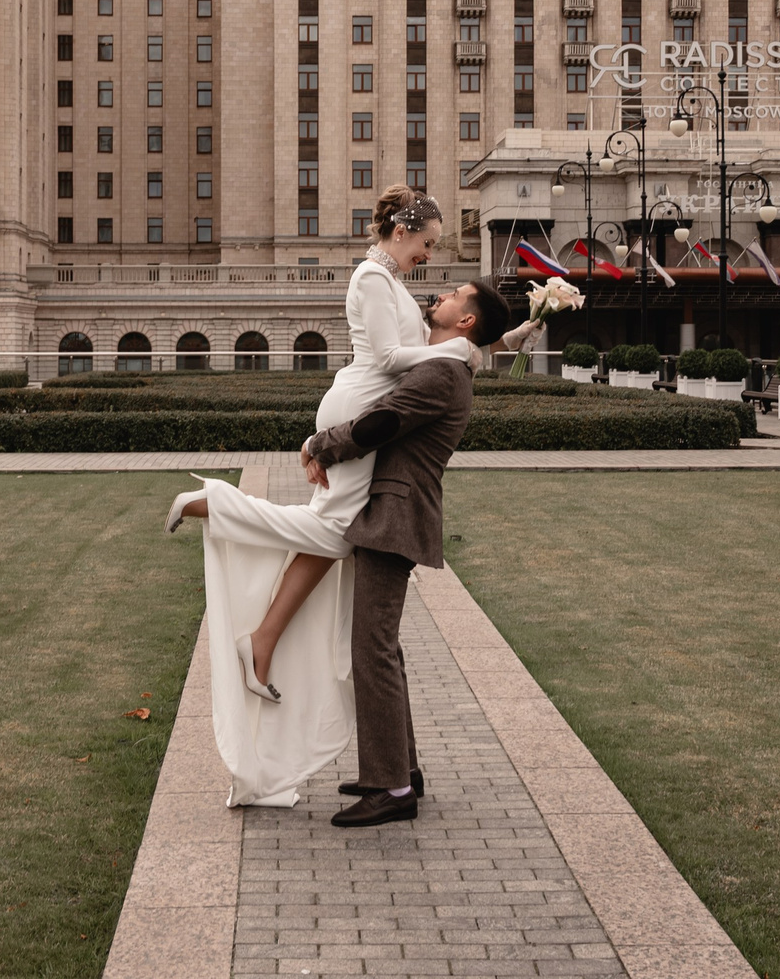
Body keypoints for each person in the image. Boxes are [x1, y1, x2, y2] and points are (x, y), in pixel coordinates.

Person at [165, 187, 533, 807]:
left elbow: (427, 366)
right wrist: (324, 442)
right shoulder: (380, 285)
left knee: (352, 594)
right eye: (429, 242)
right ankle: (392, 772)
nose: (433, 263)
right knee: (343, 568)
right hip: (365, 421)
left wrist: (500, 337)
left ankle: (390, 774)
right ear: (403, 231)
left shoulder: (436, 346)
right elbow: (399, 363)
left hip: (388, 494)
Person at [303, 275, 515, 827]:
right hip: (395, 513)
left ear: (466, 320)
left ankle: (390, 788)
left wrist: (318, 444)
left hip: (394, 516)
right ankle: (402, 769)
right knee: (382, 647)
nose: (440, 297)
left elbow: (382, 422)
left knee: (370, 649)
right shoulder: (450, 362)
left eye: (452, 297)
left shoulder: (442, 372)